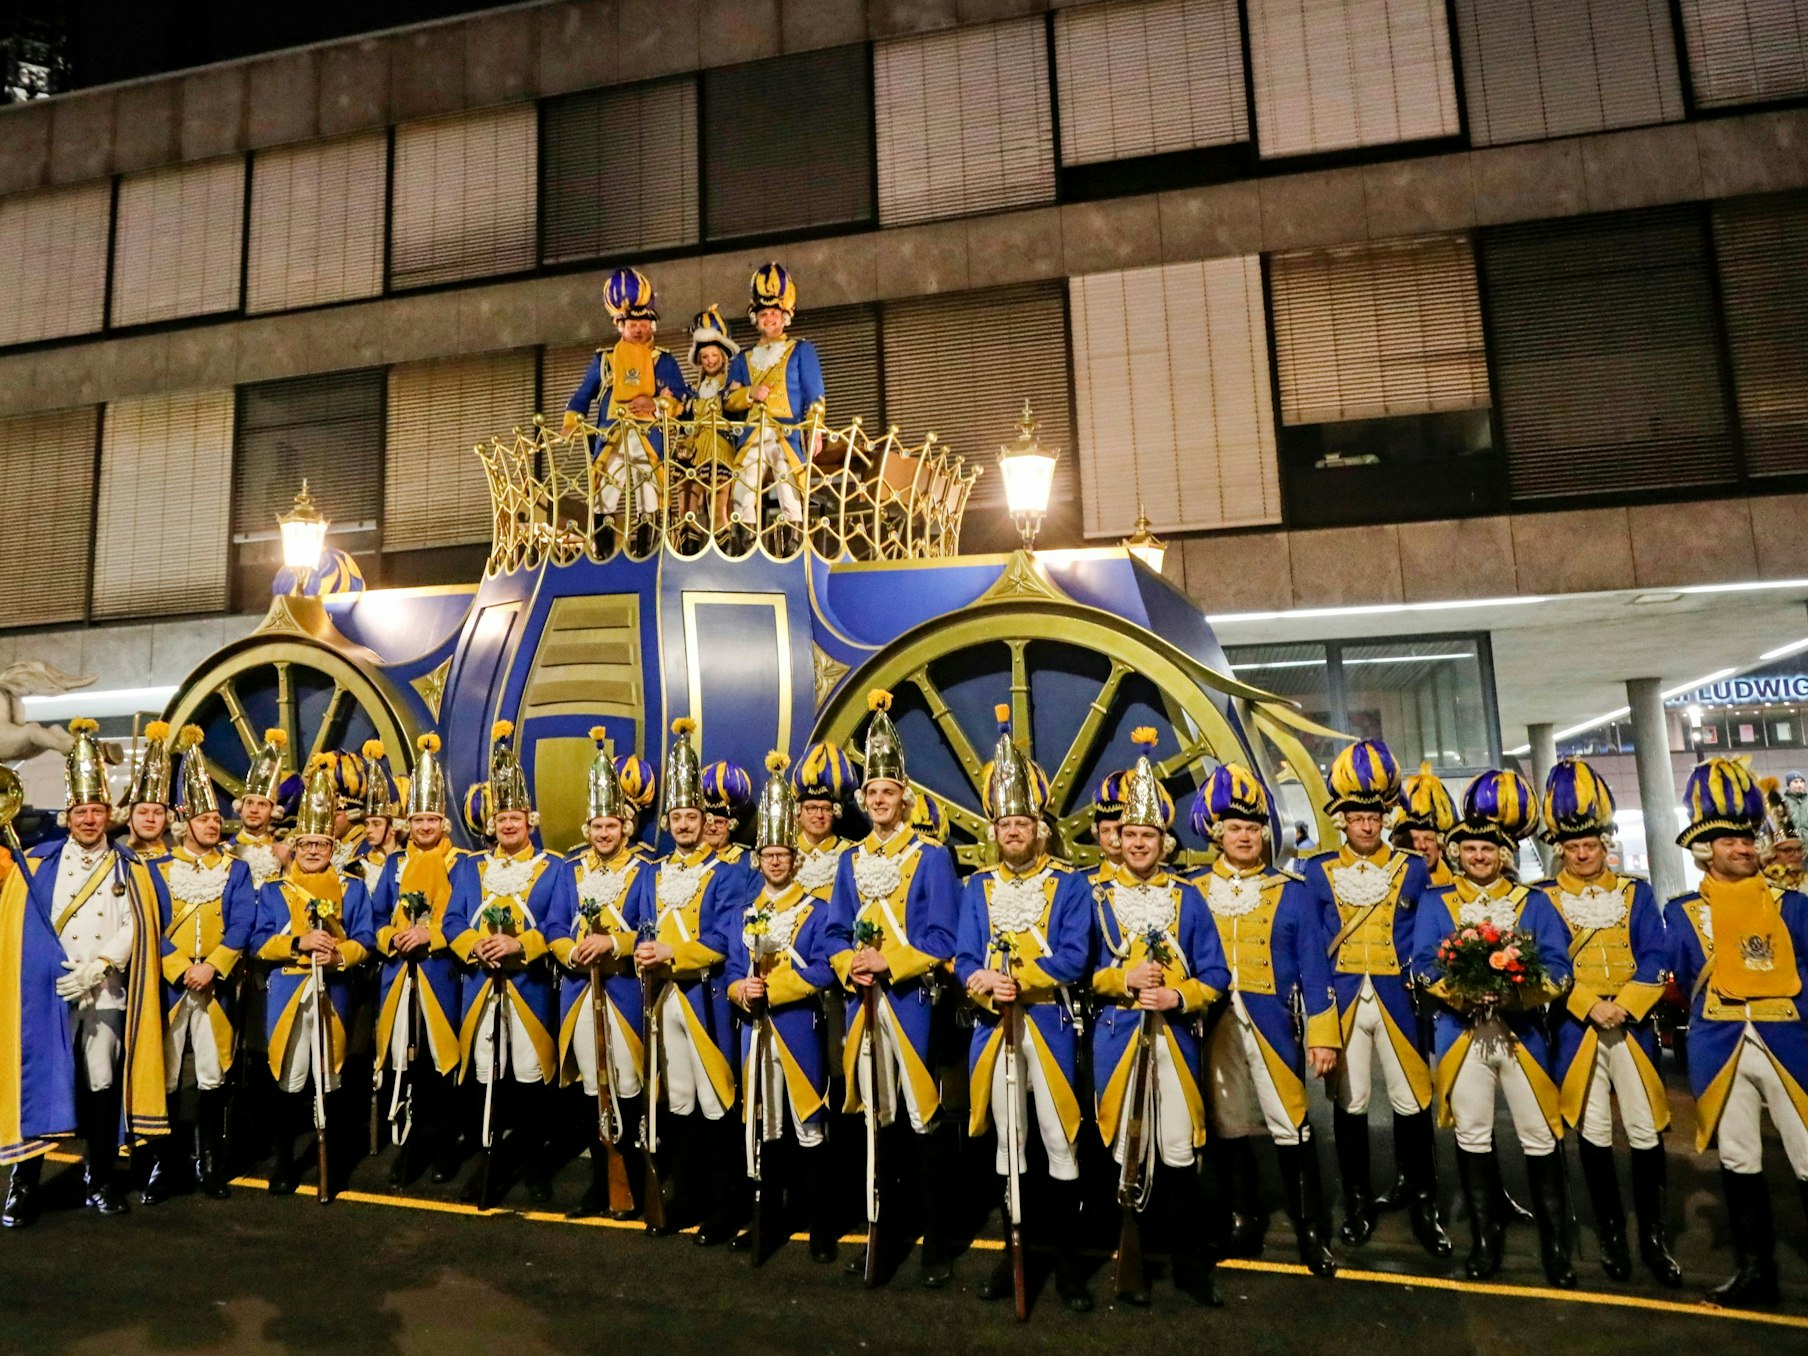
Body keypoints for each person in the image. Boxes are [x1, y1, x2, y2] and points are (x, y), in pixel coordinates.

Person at [0, 717, 169, 1227]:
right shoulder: (38, 863)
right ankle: (23, 1185)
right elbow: (21, 928)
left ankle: (100, 1179)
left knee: (100, 1084)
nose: (89, 820)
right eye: (81, 811)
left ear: (108, 813)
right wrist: (52, 969)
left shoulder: (131, 868)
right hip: (48, 993)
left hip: (107, 992)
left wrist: (100, 965)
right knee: (40, 1082)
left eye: (97, 810)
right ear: (68, 815)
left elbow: (140, 923)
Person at [956, 708, 1096, 1312]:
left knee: (1058, 1146)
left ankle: (1065, 1266)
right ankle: (1014, 1255)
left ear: (1041, 828)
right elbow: (963, 956)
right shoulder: (977, 888)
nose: (1014, 831)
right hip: (995, 1031)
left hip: (1048, 1026)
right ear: (995, 829)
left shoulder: (1070, 884)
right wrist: (982, 980)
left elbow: (1074, 955)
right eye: (1005, 822)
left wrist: (1020, 978)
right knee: (1009, 1151)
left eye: (1024, 821)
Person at [1412, 770, 1574, 1287]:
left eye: (1489, 849)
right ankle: (1485, 1240)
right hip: (1462, 1035)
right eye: (1471, 849)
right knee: (1473, 1135)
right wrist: (1461, 991)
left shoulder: (1535, 903)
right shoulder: (1438, 904)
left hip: (1521, 1031)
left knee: (1539, 1133)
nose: (1479, 857)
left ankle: (1556, 1246)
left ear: (1505, 855)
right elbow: (1421, 965)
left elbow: (1558, 966)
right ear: (1457, 854)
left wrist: (1515, 993)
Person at [826, 690, 962, 1288]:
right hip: (865, 1010)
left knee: (923, 1126)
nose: (880, 802)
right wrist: (847, 965)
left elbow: (943, 935)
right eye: (872, 795)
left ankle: (937, 1243)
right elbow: (832, 929)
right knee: (877, 1126)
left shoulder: (931, 856)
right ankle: (886, 1231)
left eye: (889, 794)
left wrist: (892, 962)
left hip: (913, 1008)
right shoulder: (850, 862)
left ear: (904, 799)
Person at [1091, 729, 1231, 1306]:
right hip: (1117, 1039)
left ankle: (1188, 1264)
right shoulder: (1094, 896)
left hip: (1173, 1041)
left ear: (1163, 841)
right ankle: (1135, 1258)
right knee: (1127, 1151)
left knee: (1177, 1150)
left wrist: (1179, 997)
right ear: (1117, 839)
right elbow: (1081, 970)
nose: (1139, 843)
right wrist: (1120, 979)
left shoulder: (1187, 898)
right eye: (1130, 834)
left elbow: (1217, 976)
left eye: (1148, 835)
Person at [1666, 757, 1808, 1309]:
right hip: (1719, 1044)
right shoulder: (1680, 913)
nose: (1745, 848)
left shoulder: (1793, 905)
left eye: (1748, 839)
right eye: (1730, 841)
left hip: (1789, 1041)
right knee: (1739, 1159)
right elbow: (1673, 976)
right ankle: (1757, 1274)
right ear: (1706, 851)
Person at [1299, 740, 1448, 1256]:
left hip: (1397, 999)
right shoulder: (1315, 870)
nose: (1367, 825)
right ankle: (1357, 1201)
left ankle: (1425, 1201)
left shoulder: (1411, 867)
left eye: (1375, 816)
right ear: (1341, 819)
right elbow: (1314, 950)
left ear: (1386, 817)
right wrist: (1317, 1014)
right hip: (1342, 1001)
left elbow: (1428, 933)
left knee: (1412, 1100)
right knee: (1351, 1102)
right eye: (1358, 816)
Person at [1538, 757, 1680, 1287]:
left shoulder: (1635, 892)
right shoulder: (1544, 899)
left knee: (1645, 1131)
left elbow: (1656, 950)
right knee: (1593, 1132)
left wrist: (1626, 1002)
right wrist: (1587, 1005)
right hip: (1580, 1029)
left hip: (1632, 1024)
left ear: (1604, 846)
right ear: (1562, 850)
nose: (1582, 854)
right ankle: (1612, 1238)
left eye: (1590, 846)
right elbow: (1545, 959)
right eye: (1573, 848)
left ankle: (1654, 1239)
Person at [1194, 762, 1339, 1279]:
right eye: (1234, 828)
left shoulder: (1291, 889)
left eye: (1253, 828)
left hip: (1274, 1023)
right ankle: (1241, 1219)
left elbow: (1316, 968)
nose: (1245, 837)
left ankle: (1311, 1230)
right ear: (1217, 835)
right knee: (1227, 1123)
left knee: (1291, 1123)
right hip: (1213, 1024)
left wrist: (1324, 1036)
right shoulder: (1193, 888)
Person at [630, 717, 750, 1244]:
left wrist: (669, 953)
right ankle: (687, 1198)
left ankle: (726, 1205)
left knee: (715, 1103)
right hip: (662, 1002)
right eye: (676, 816)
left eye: (691, 816)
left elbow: (725, 942)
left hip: (703, 999)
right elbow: (637, 927)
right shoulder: (653, 872)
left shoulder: (727, 873)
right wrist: (640, 951)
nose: (682, 824)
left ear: (706, 821)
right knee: (677, 1103)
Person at [445, 722, 569, 1206]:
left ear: (530, 821)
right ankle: (489, 1164)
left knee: (528, 1082)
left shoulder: (555, 867)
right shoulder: (471, 867)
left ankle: (536, 1166)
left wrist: (522, 947)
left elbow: (559, 923)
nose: (508, 825)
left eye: (516, 817)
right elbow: (453, 920)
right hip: (479, 987)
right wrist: (476, 944)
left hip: (529, 988)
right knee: (486, 1078)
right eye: (501, 819)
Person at [725, 752, 839, 1264]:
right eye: (768, 854)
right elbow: (731, 969)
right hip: (755, 1035)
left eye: (783, 855)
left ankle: (819, 1226)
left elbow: (825, 969)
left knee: (809, 1130)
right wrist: (739, 991)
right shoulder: (744, 913)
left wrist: (778, 988)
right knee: (764, 1130)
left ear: (795, 859)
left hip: (797, 1031)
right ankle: (767, 1221)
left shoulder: (817, 911)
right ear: (760, 859)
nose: (776, 861)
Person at [251, 755, 375, 1196]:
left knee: (332, 1080)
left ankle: (334, 1162)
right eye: (306, 844)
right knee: (289, 1078)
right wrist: (297, 944)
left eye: (321, 844)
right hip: (288, 991)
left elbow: (366, 937)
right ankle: (284, 1161)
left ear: (331, 846)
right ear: (296, 845)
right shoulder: (273, 891)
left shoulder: (353, 888)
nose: (313, 851)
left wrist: (340, 955)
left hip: (334, 992)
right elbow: (259, 942)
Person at [143, 726, 257, 1205]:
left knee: (213, 1076)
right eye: (204, 819)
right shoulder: (156, 870)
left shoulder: (237, 868)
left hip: (214, 987)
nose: (213, 826)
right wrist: (176, 966)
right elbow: (149, 923)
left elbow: (243, 921)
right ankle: (162, 1168)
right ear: (185, 821)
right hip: (171, 987)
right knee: (166, 1077)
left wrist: (213, 966)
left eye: (217, 819)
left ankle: (209, 1164)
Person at [551, 730, 655, 1220]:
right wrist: (572, 951)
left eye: (612, 826)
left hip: (623, 993)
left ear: (626, 828)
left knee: (628, 1088)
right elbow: (552, 925)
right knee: (594, 1092)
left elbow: (653, 929)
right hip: (580, 990)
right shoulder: (568, 872)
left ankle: (633, 1181)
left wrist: (615, 942)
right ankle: (600, 1182)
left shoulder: (647, 871)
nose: (604, 834)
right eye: (597, 826)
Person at [368, 734, 468, 1187]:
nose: (425, 825)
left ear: (443, 822)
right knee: (402, 1065)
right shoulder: (392, 866)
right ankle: (408, 1149)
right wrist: (395, 937)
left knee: (438, 1065)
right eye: (418, 818)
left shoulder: (462, 864)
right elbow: (372, 922)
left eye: (432, 818)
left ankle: (443, 1147)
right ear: (408, 822)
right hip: (397, 976)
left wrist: (431, 935)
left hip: (440, 976)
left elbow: (465, 912)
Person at [562, 267, 686, 545]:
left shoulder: (665, 361)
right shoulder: (604, 360)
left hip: (649, 439)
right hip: (611, 438)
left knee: (650, 495)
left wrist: (655, 403)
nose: (639, 329)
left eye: (643, 323)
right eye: (632, 324)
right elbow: (583, 394)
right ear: (621, 326)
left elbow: (681, 397)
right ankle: (603, 555)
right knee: (603, 494)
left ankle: (649, 554)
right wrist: (572, 420)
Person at [725, 263, 824, 539]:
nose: (769, 319)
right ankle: (743, 538)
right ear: (755, 318)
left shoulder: (802, 350)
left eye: (774, 313)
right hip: (753, 432)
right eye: (764, 313)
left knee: (788, 483)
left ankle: (794, 538)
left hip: (787, 431)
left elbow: (815, 395)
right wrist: (749, 394)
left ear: (786, 316)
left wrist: (815, 428)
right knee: (744, 484)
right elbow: (729, 401)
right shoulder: (742, 359)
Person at [674, 305, 741, 543]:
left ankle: (724, 546)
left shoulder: (731, 386)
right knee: (687, 504)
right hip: (692, 447)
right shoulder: (693, 391)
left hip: (719, 445)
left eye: (714, 355)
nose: (710, 361)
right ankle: (688, 541)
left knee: (718, 506)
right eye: (705, 357)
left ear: (723, 356)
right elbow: (684, 421)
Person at [789, 740, 857, 898]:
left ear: (835, 812)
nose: (818, 815)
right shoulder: (785, 852)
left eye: (825, 809)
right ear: (799, 811)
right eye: (811, 808)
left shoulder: (850, 853)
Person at [231, 727, 293, 888]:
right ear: (240, 808)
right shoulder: (225, 851)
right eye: (249, 803)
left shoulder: (284, 853)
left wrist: (288, 864)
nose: (254, 810)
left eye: (262, 805)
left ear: (273, 812)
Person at [1395, 761, 1457, 888]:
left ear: (1442, 847)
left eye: (1429, 839)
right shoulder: (1387, 886)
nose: (1422, 846)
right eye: (1414, 839)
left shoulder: (1461, 889)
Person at [118, 720, 174, 858]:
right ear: (128, 818)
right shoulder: (114, 861)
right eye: (142, 813)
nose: (150, 819)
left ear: (167, 819)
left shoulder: (181, 864)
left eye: (158, 813)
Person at [359, 739, 403, 873]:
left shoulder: (411, 864)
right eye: (367, 824)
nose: (369, 830)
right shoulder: (356, 869)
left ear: (393, 827)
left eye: (376, 824)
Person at [701, 759, 754, 870]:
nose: (713, 828)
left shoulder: (746, 862)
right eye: (708, 821)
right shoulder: (688, 858)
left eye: (719, 822)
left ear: (731, 825)